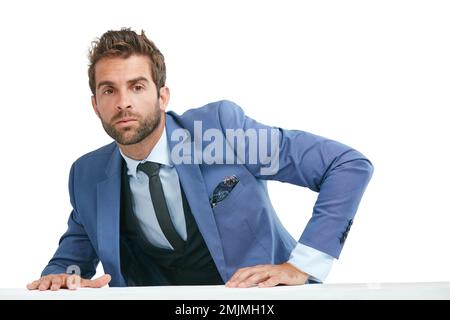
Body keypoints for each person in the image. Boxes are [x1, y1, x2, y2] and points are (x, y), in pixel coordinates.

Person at [27, 28, 373, 291]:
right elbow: (72, 262)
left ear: (162, 96)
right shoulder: (87, 174)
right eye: (109, 90)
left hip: (256, 302)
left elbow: (344, 165)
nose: (123, 103)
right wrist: (62, 281)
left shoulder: (221, 132)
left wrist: (303, 265)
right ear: (95, 105)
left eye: (137, 87)